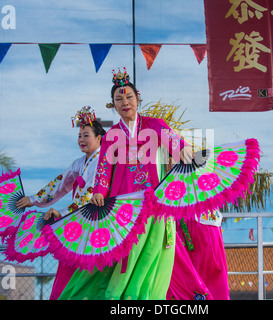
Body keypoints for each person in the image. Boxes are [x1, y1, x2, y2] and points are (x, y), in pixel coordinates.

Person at [57, 68, 195, 300]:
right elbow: (104, 168)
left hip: (154, 205)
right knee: (122, 261)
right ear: (113, 105)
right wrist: (99, 191)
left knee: (153, 257)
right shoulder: (111, 135)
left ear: (138, 99)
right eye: (118, 99)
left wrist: (185, 150)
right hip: (123, 207)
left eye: (129, 97)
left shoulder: (155, 125)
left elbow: (176, 144)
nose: (125, 102)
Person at [16, 106, 106, 300]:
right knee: (68, 272)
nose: (81, 140)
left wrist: (62, 213)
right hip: (78, 218)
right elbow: (59, 183)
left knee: (88, 274)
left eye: (86, 135)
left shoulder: (103, 162)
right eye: (79, 136)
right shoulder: (79, 163)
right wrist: (33, 199)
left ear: (99, 138)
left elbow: (88, 195)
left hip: (95, 220)